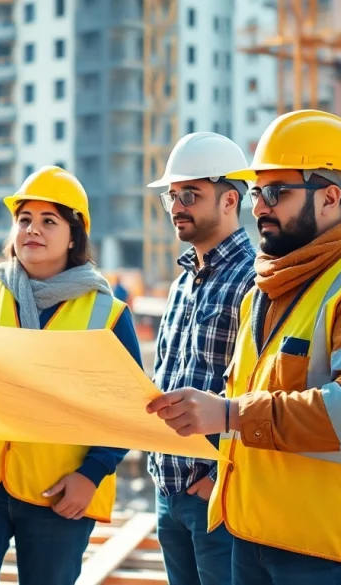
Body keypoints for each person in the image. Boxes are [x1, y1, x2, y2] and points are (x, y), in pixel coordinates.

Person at [147, 110, 341, 584]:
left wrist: (230, 415)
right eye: (257, 192)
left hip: (328, 550)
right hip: (252, 534)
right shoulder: (267, 292)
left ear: (330, 197)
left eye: (276, 192)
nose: (260, 207)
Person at [0, 166, 143, 585]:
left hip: (59, 490)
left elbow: (128, 410)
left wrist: (91, 475)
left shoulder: (106, 315)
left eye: (48, 221)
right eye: (24, 220)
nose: (32, 230)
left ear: (73, 237)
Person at [144, 132, 256, 585]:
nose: (176, 206)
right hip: (169, 490)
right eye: (171, 196)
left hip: (216, 497)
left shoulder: (255, 280)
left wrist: (215, 478)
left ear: (230, 200)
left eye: (190, 194)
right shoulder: (181, 284)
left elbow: (262, 390)